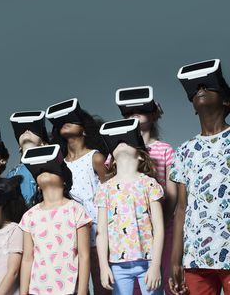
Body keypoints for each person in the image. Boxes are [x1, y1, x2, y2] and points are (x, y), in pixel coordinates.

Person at [169, 59, 230, 295]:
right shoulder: (184, 150)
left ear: (226, 100)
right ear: (194, 106)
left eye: (208, 87)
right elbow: (181, 207)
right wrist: (176, 260)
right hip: (196, 256)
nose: (200, 90)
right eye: (195, 90)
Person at [116, 87, 177, 294]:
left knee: (163, 280)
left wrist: (160, 224)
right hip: (130, 230)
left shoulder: (165, 149)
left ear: (153, 115)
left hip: (162, 226)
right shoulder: (117, 151)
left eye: (140, 110)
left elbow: (172, 192)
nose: (134, 113)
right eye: (128, 111)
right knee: (132, 285)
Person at [96, 119, 164, 295]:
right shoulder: (105, 189)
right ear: (112, 159)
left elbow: (159, 227)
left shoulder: (149, 184)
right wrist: (104, 267)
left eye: (127, 141)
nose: (121, 143)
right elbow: (101, 232)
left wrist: (156, 265)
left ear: (141, 155)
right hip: (118, 265)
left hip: (149, 261)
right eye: (117, 143)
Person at [48, 98, 108, 294]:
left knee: (102, 286)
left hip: (97, 233)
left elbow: (109, 193)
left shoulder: (96, 158)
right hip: (70, 235)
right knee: (75, 287)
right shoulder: (59, 165)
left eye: (72, 120)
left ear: (84, 129)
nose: (66, 122)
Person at [19, 145, 91, 295]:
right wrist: (23, 292)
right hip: (37, 291)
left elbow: (84, 255)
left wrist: (83, 291)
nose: (44, 171)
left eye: (50, 169)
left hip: (69, 290)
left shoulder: (76, 210)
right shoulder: (29, 216)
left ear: (64, 181)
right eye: (40, 171)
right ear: (37, 186)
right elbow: (27, 258)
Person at [7, 110, 49, 205]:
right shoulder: (12, 174)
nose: (26, 131)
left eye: (33, 129)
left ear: (43, 144)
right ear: (19, 147)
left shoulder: (51, 167)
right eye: (21, 132)